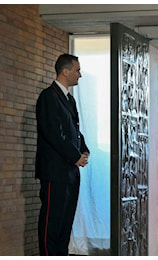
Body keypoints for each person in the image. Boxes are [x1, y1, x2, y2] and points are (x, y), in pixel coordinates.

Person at [35, 54, 90, 255]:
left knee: (66, 221)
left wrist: (84, 150)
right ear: (65, 71)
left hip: (70, 171)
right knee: (53, 221)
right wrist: (75, 156)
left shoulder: (69, 99)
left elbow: (74, 130)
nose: (80, 74)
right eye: (77, 70)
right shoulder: (48, 97)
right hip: (55, 171)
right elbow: (53, 133)